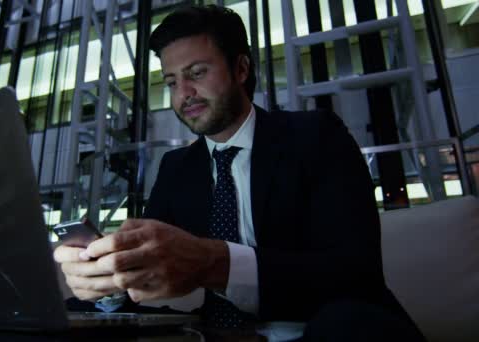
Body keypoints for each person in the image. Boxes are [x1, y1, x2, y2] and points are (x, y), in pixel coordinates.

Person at [54, 5, 426, 340]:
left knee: (348, 326)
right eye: (171, 82)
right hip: (215, 335)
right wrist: (112, 282)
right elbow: (149, 267)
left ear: (241, 68)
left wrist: (216, 262)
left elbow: (354, 273)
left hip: (319, 330)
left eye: (196, 73)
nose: (184, 93)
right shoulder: (176, 168)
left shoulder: (315, 136)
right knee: (68, 314)